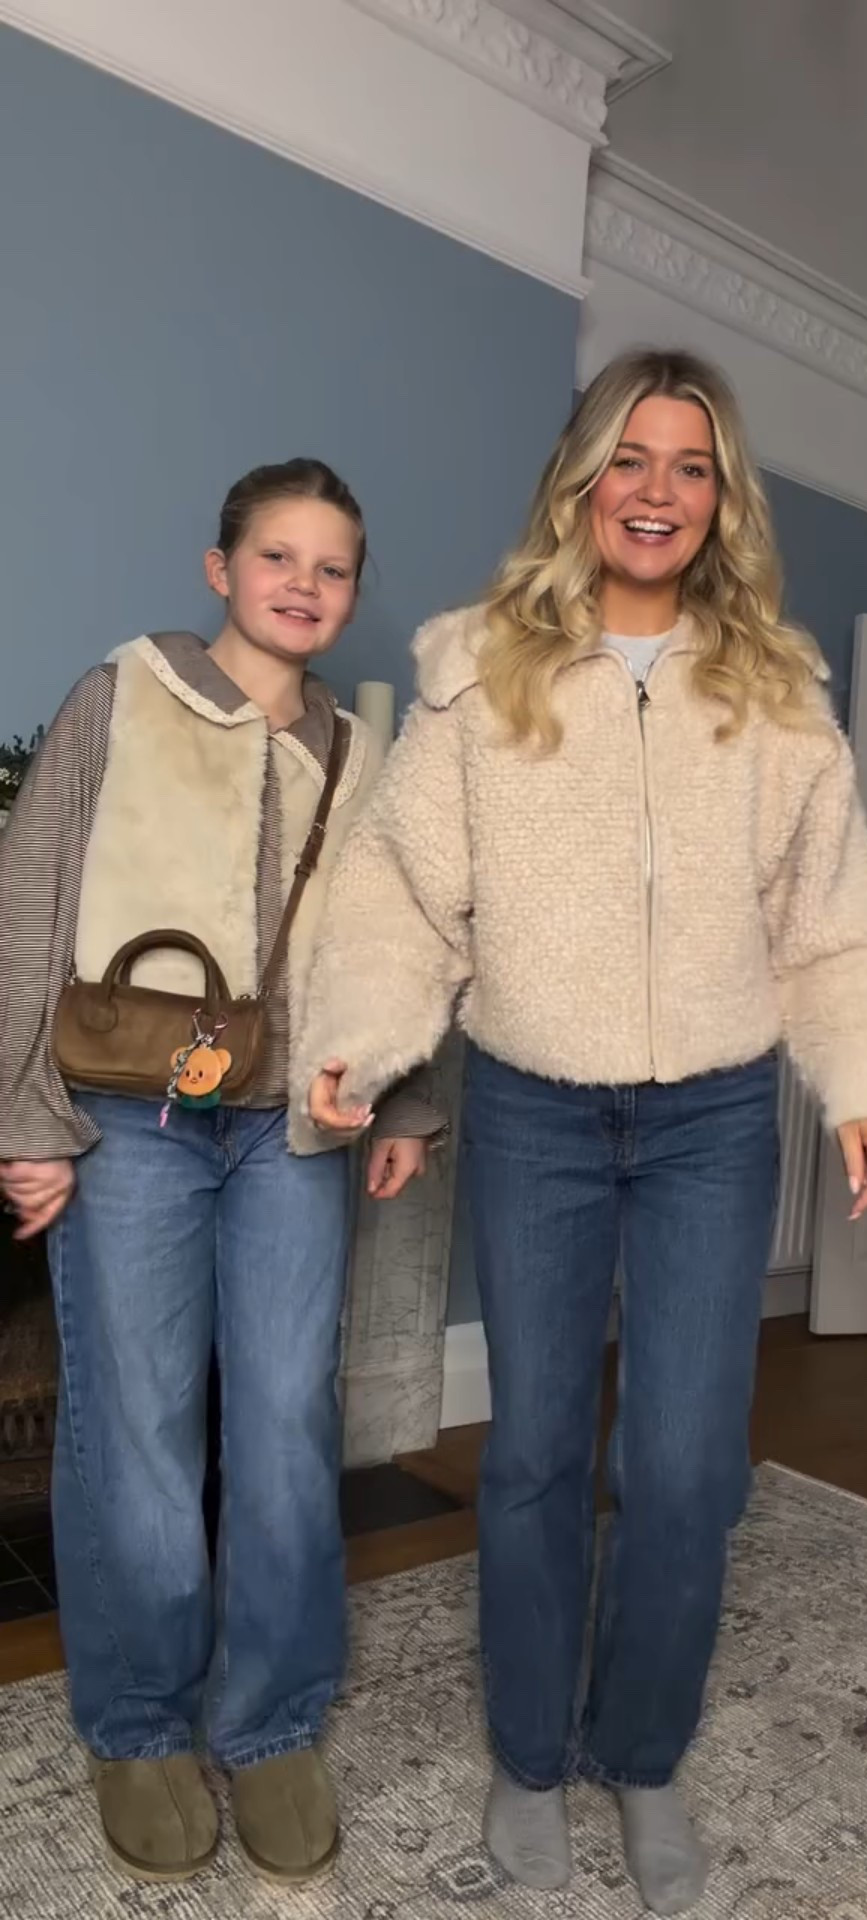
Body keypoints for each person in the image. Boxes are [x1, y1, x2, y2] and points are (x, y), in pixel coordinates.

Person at [301, 353, 867, 1916]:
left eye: (690, 466)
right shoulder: (477, 675)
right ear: (581, 486)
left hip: (714, 1112)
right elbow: (398, 891)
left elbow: (833, 922)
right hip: (536, 1107)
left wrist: (865, 1081)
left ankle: (641, 1757)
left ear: (723, 501)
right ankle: (527, 1752)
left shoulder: (778, 694)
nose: (656, 490)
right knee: (531, 1454)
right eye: (628, 460)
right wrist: (361, 1045)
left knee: (692, 1465)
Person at [0, 459, 443, 1886]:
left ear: (352, 591)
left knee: (283, 1425)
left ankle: (271, 1724)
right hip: (131, 1117)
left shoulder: (362, 759)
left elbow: (406, 936)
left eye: (333, 566)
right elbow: (32, 893)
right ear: (221, 568)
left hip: (294, 1129)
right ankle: (135, 1723)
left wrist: (408, 1101)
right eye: (278, 556)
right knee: (134, 1429)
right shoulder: (116, 697)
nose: (305, 584)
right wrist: (24, 1114)